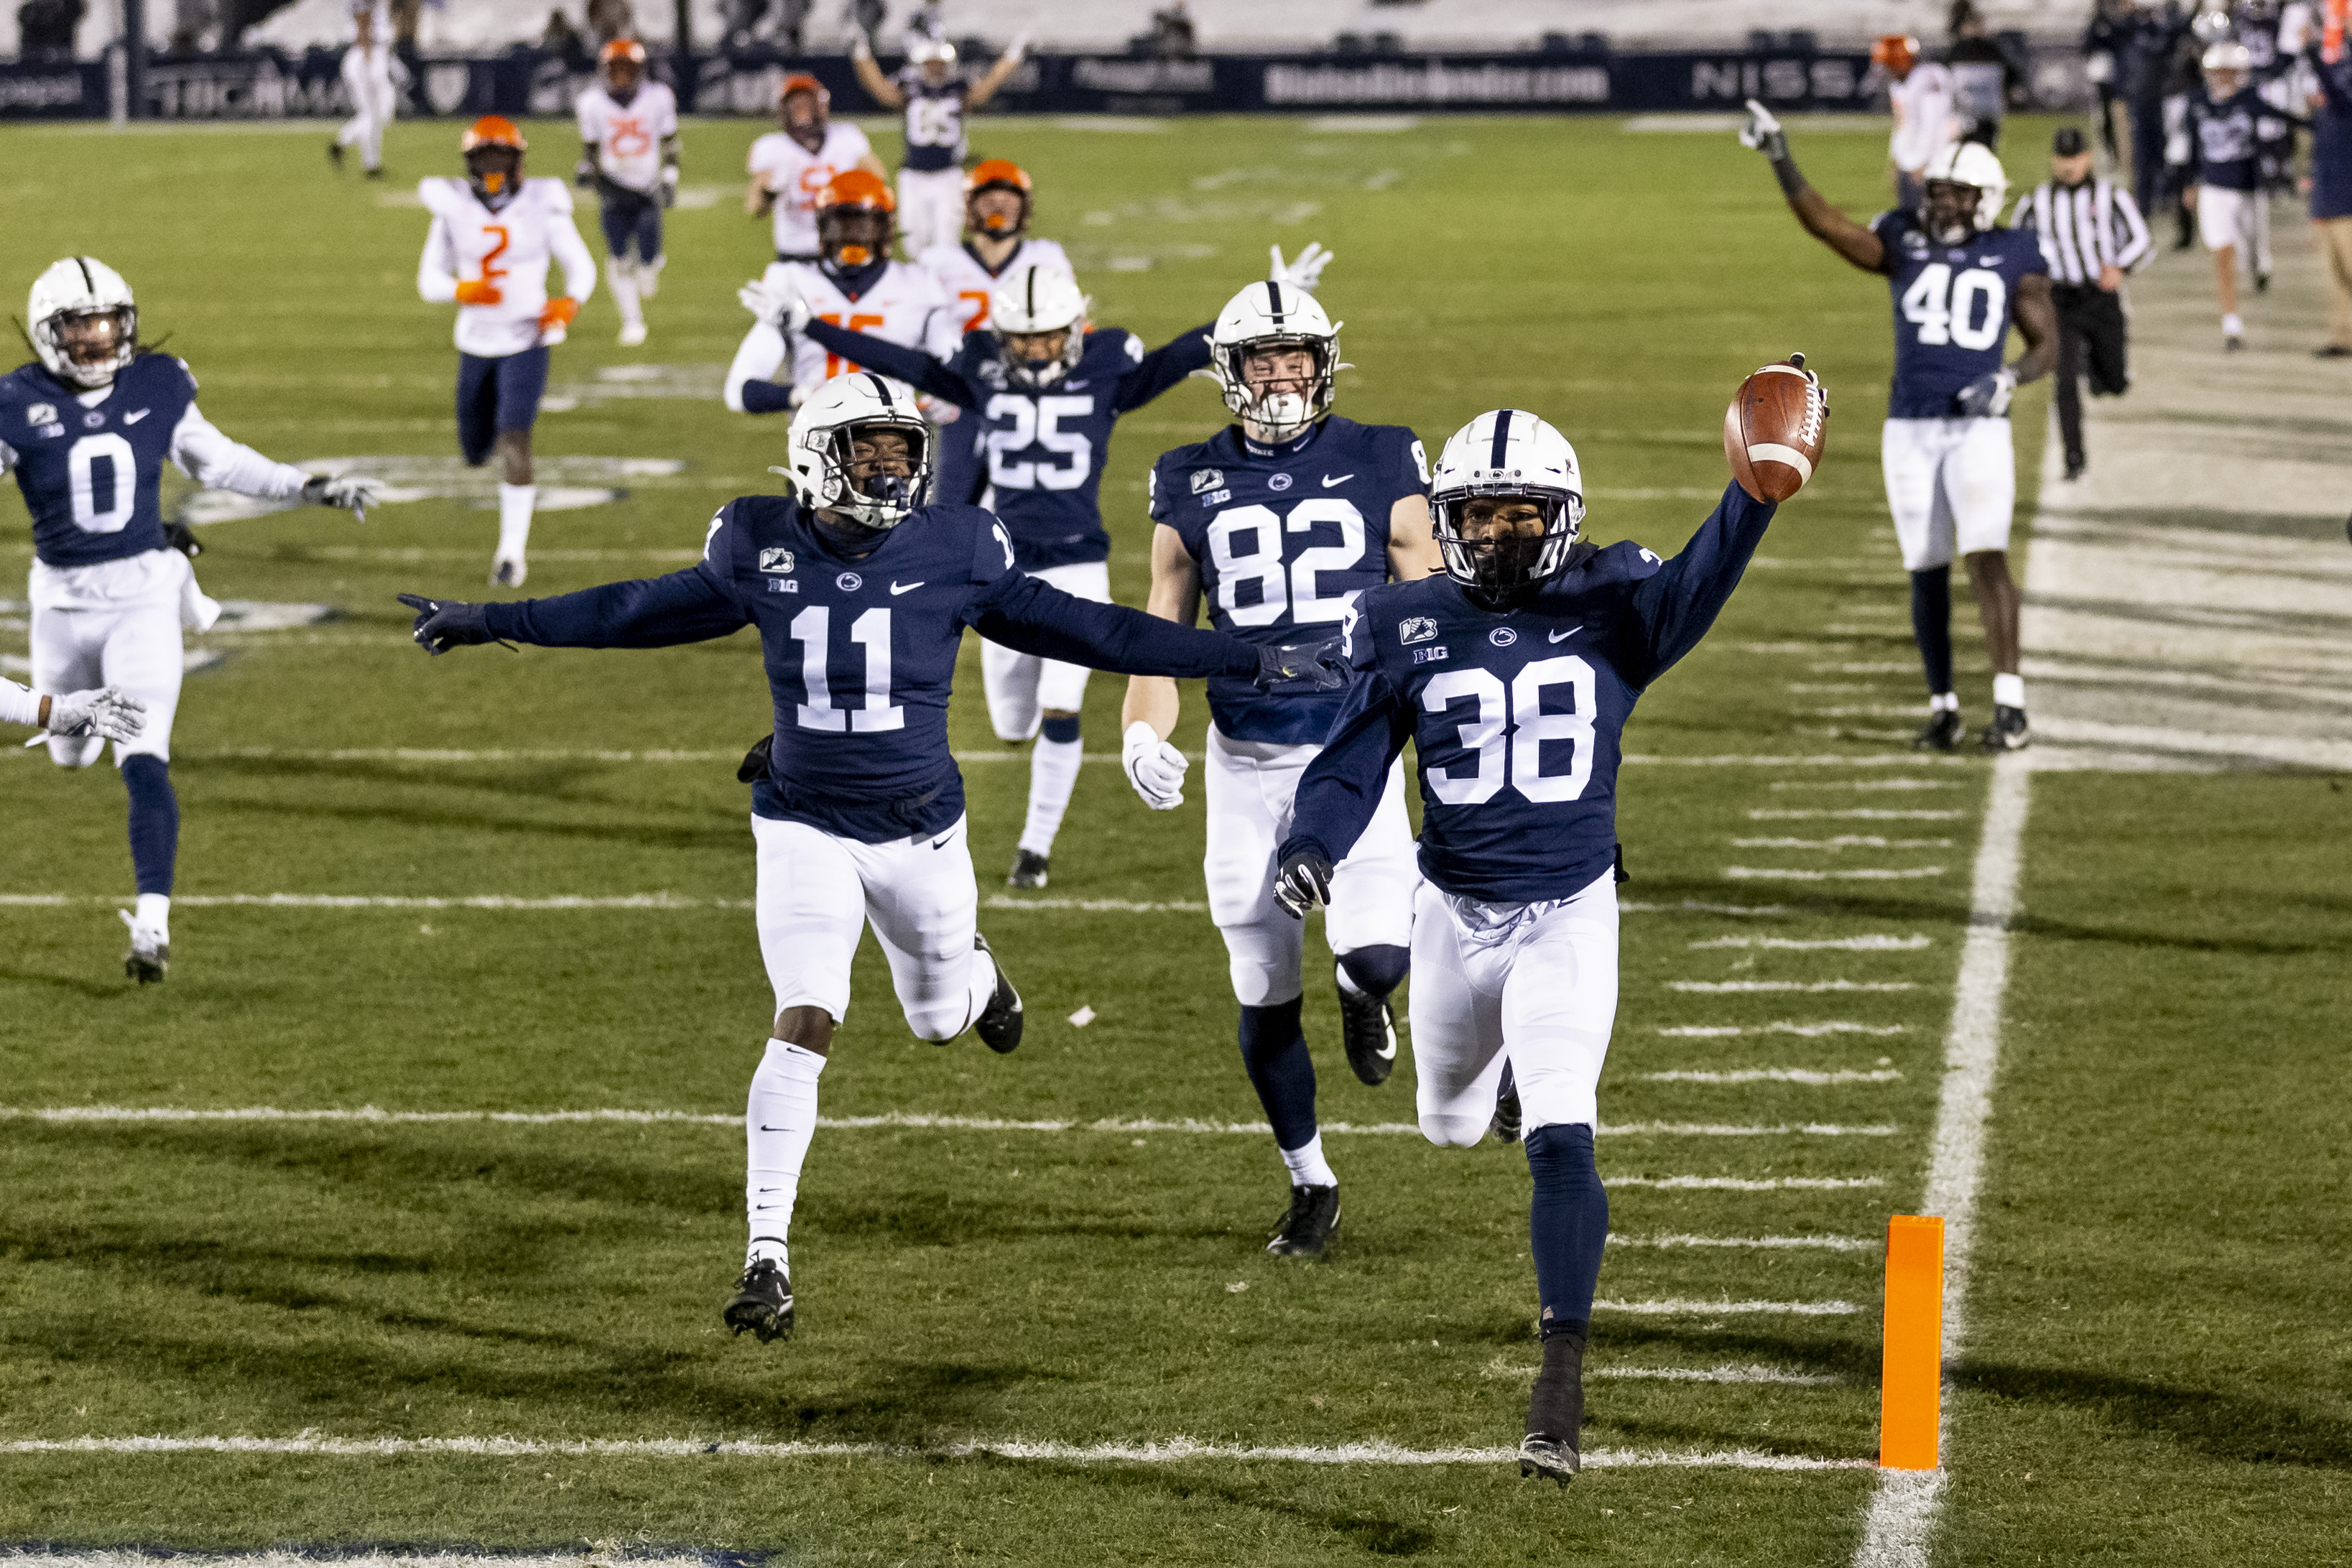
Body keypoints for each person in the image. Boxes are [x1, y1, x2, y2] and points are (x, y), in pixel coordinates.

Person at [394, 374, 1348, 1345]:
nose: (893, 468)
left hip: (919, 828)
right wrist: (493, 618)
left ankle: (976, 978)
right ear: (816, 457)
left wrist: (1244, 656)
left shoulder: (958, 548)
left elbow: (1093, 630)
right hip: (801, 819)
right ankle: (767, 1253)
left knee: (937, 1022)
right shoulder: (756, 543)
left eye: (902, 449)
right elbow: (634, 609)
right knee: (804, 1018)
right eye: (870, 450)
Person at [1272, 391, 1804, 1484]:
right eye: (1480, 515)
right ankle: (1495, 1059)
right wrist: (1312, 842)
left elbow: (1701, 573)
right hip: (1449, 908)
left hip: (1569, 905)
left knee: (1563, 1131)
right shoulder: (1401, 617)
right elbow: (1350, 756)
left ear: (1560, 514)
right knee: (1449, 1126)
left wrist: (1752, 496)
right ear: (1448, 520)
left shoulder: (1617, 597)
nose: (1501, 534)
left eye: (1523, 514)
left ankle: (1557, 1384)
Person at [773, 247, 1333, 889]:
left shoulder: (1107, 373)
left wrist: (1266, 306)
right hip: (1000, 566)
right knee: (1015, 724)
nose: (1037, 352)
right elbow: (907, 364)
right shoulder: (980, 370)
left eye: (1048, 338)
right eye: (1024, 339)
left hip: (1077, 560)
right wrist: (811, 326)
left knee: (1063, 708)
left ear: (1076, 331)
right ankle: (1027, 765)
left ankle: (1034, 851)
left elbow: (1183, 355)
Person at [1119, 277, 1440, 1259]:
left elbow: (1432, 613)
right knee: (1261, 988)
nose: (1281, 373)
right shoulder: (1186, 475)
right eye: (1263, 358)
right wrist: (1143, 729)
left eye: (1296, 355)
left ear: (1323, 362)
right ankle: (1311, 1180)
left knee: (1375, 955)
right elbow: (1161, 629)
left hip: (1352, 748)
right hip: (1243, 761)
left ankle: (1365, 994)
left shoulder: (1383, 455)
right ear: (1230, 370)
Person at [0, 257, 379, 981]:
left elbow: (220, 461)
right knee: (69, 750)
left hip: (143, 598)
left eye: (108, 322)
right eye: (79, 325)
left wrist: (308, 486)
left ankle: (152, 924)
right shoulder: (15, 402)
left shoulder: (158, 381)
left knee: (144, 758)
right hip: (60, 604)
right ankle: (76, 740)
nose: (97, 338)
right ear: (49, 332)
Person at [1740, 101, 2055, 753]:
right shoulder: (1903, 237)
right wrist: (1781, 156)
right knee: (1925, 567)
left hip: (1977, 430)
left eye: (1958, 195)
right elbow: (1828, 226)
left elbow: (2049, 344)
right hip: (1909, 426)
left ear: (1987, 200)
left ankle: (2010, 703)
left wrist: (2009, 378)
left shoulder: (2012, 251)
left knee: (1987, 555)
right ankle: (1943, 705)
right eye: (1938, 191)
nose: (1942, 204)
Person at [415, 116, 599, 587]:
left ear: (518, 160)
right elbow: (428, 280)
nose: (494, 165)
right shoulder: (452, 208)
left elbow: (579, 265)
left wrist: (569, 302)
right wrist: (463, 288)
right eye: (485, 157)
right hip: (476, 340)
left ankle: (511, 554)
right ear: (472, 163)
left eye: (502, 156)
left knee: (515, 435)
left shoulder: (543, 204)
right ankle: (482, 461)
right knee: (475, 447)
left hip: (527, 337)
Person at [726, 170, 958, 414]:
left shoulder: (918, 284)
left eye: (864, 226)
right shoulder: (793, 283)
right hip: (817, 442)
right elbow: (739, 391)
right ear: (821, 227)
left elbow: (953, 366)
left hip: (894, 442)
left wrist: (946, 396)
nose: (852, 237)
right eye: (841, 225)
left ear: (886, 228)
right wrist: (802, 395)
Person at [2012, 126, 2150, 478]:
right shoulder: (2037, 202)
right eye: (2062, 158)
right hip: (2060, 300)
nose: (2068, 166)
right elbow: (2016, 246)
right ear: (2055, 160)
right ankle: (2074, 458)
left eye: (2074, 158)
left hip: (2101, 297)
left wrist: (2119, 266)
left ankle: (2099, 369)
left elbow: (2141, 239)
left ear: (2087, 159)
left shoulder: (2110, 196)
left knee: (2115, 382)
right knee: (2064, 382)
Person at [851, 31, 1029, 257]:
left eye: (940, 63)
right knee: (913, 244)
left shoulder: (958, 87)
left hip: (948, 175)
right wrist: (862, 54)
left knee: (946, 242)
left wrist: (1012, 57)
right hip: (913, 175)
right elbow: (880, 90)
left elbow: (986, 88)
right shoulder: (909, 87)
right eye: (931, 63)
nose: (936, 68)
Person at [2180, 41, 2289, 348]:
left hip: (2248, 189)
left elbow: (2283, 119)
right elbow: (2192, 146)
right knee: (2223, 256)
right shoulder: (2198, 102)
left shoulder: (2249, 100)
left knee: (2253, 250)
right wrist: (2189, 183)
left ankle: (2259, 267)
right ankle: (2232, 325)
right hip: (2214, 188)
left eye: (2230, 72)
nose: (2223, 78)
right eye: (2218, 71)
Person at [575, 38, 680, 347]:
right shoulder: (591, 103)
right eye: (615, 69)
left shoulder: (658, 97)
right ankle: (632, 321)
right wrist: (586, 171)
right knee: (619, 257)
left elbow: (670, 142)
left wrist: (670, 178)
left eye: (627, 69)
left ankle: (649, 265)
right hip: (613, 185)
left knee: (648, 258)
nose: (621, 76)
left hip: (647, 187)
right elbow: (591, 148)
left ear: (639, 71)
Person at [746, 74, 888, 265]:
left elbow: (880, 184)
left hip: (843, 248)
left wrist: (853, 195)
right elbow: (755, 208)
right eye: (795, 105)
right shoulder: (772, 148)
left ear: (820, 105)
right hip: (795, 252)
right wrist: (770, 191)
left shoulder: (847, 138)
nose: (801, 113)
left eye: (805, 104)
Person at [2306, 30, 2352, 356]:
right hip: (2329, 193)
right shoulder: (2330, 105)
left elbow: (2338, 94)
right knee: (2335, 275)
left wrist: (2310, 51)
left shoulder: (2341, 95)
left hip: (2348, 195)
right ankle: (2342, 336)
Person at [1878, 34, 1956, 210]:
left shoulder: (1928, 78)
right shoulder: (1899, 85)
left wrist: (1924, 161)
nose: (1887, 68)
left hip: (1930, 164)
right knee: (1908, 217)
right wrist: (1896, 159)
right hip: (1909, 162)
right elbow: (1901, 126)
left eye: (1890, 63)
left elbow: (1934, 125)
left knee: (1928, 219)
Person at [330, 1, 404, 180]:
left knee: (376, 115)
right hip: (366, 57)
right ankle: (371, 164)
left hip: (375, 55)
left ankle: (344, 144)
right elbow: (363, 21)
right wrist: (367, 52)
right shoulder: (365, 4)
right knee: (375, 114)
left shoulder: (378, 7)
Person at [1946, 0, 2023, 148]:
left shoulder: (1990, 49)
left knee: (1983, 147)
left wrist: (2012, 87)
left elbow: (2009, 71)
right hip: (1968, 111)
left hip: (1985, 110)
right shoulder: (1960, 50)